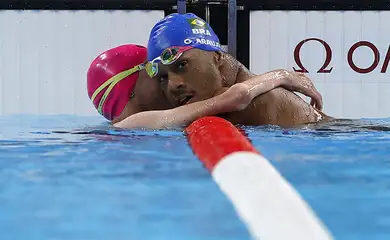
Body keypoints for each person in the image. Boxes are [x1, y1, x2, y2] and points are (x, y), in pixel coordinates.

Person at [146, 13, 332, 127]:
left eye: (182, 65)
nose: (172, 85)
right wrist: (281, 75)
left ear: (217, 57)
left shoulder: (257, 100)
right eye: (162, 77)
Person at [87, 44, 324, 129]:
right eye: (156, 72)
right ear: (132, 89)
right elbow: (233, 97)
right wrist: (280, 76)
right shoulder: (133, 126)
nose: (169, 82)